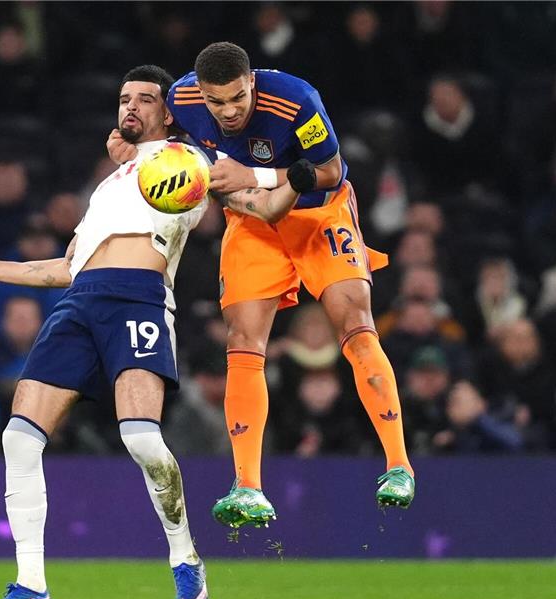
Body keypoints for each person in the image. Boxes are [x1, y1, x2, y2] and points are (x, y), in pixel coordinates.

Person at [0, 64, 311, 599]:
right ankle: (31, 587)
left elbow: (260, 192)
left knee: (140, 438)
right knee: (18, 438)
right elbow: (67, 267)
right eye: (123, 99)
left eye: (144, 99)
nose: (130, 107)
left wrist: (294, 179)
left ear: (169, 110)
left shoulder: (189, 161)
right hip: (78, 303)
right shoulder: (109, 184)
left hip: (138, 300)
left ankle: (185, 556)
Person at [108, 42, 414, 528]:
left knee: (355, 323)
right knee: (243, 342)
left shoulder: (296, 99)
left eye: (237, 98)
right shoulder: (184, 98)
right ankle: (248, 485)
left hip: (318, 214)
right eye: (217, 101)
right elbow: (157, 128)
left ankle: (398, 466)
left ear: (251, 83)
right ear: (201, 93)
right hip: (251, 222)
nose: (228, 111)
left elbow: (332, 170)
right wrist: (133, 145)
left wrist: (256, 174)